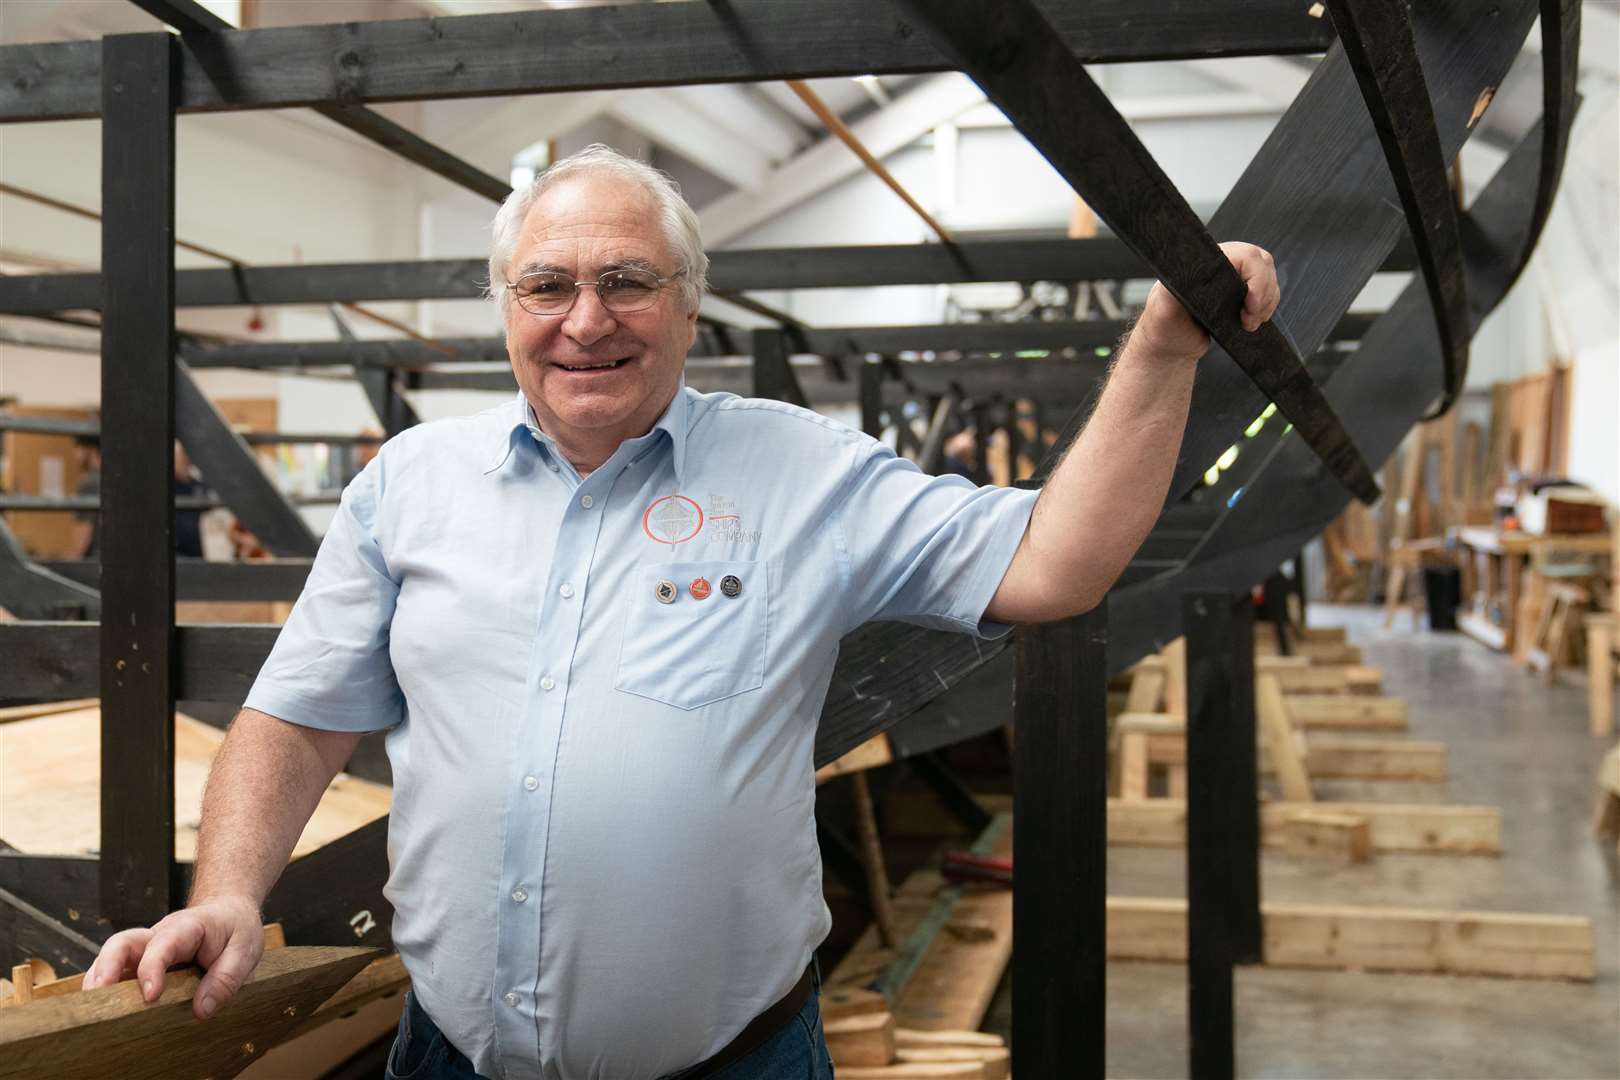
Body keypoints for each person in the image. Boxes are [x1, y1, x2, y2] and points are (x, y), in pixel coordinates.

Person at [81, 145, 1281, 1080]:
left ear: (690, 302)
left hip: (732, 1061)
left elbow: (1053, 565)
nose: (586, 321)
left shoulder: (804, 475)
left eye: (627, 282)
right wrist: (230, 889)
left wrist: (1164, 349)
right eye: (547, 285)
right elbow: (295, 718)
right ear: (506, 303)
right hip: (449, 1055)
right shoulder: (410, 485)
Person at [69, 434, 101, 559]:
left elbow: (82, 540)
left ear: (90, 450)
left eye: (77, 448)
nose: (74, 455)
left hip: (92, 564)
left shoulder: (89, 482)